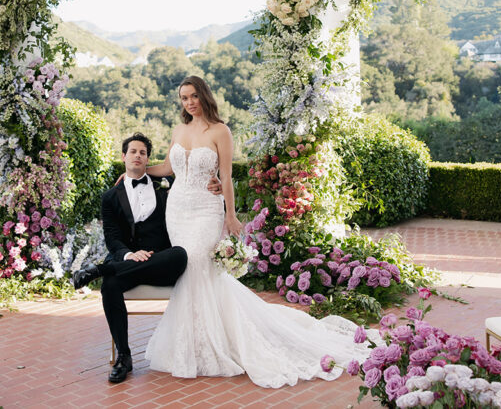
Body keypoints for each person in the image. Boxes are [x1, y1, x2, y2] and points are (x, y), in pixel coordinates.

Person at [141, 75, 371, 388]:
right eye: (183, 98)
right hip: (177, 211)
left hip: (207, 209)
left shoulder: (220, 131)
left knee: (198, 262)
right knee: (189, 270)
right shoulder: (180, 130)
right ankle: (192, 343)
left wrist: (230, 216)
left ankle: (216, 342)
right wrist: (135, 171)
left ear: (204, 96)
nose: (189, 103)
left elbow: (226, 176)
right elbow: (168, 168)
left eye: (193, 96)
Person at [71, 133, 221, 383]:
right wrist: (130, 255)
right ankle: (124, 357)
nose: (138, 156)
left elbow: (196, 190)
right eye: (133, 151)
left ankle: (99, 270)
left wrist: (216, 185)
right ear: (123, 156)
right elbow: (112, 238)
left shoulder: (168, 186)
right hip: (128, 261)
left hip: (162, 262)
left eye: (143, 152)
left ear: (148, 159)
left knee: (180, 255)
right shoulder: (110, 197)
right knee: (110, 287)